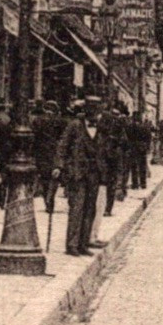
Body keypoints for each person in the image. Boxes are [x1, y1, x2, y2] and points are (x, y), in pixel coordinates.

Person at [55, 98, 109, 256]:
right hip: (77, 173)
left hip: (94, 174)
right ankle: (72, 245)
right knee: (77, 208)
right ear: (87, 111)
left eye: (98, 111)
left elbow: (104, 149)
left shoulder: (101, 128)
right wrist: (59, 165)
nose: (96, 115)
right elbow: (62, 145)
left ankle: (83, 244)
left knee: (89, 210)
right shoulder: (74, 125)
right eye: (94, 111)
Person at [32, 100, 65, 213]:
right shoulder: (60, 121)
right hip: (54, 152)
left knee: (45, 177)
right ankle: (50, 199)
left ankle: (48, 199)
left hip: (42, 153)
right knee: (54, 177)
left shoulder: (38, 121)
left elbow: (34, 137)